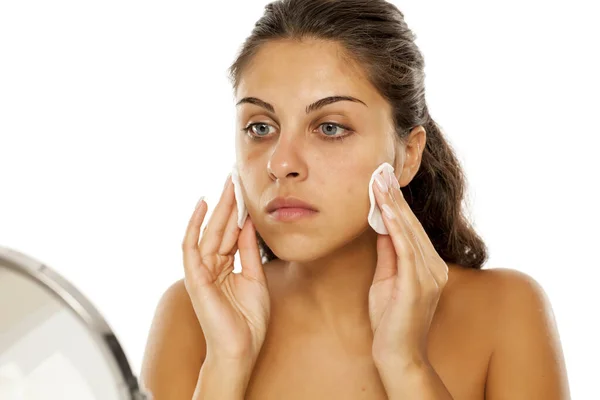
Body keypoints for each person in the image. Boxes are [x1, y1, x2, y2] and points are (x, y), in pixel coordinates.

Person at [140, 0, 570, 398]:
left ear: (407, 155)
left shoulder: (506, 312)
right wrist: (225, 365)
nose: (281, 163)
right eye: (260, 127)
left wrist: (406, 364)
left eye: (330, 127)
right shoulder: (193, 316)